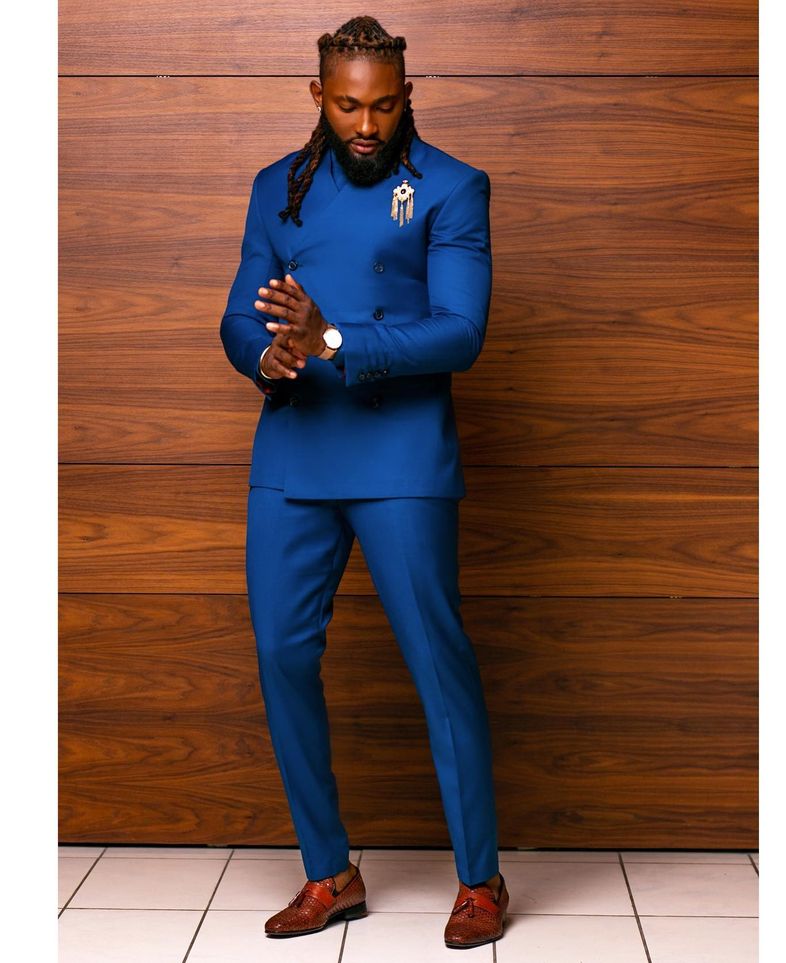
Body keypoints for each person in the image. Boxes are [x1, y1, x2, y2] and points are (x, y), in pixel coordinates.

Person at [219, 15, 508, 950]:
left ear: (406, 95)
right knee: (280, 655)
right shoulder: (276, 188)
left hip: (401, 457)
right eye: (348, 106)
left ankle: (479, 878)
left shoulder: (453, 187)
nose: (367, 124)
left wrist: (334, 336)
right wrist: (266, 355)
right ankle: (329, 871)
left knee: (437, 661)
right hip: (295, 450)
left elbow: (461, 332)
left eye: (384, 105)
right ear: (319, 96)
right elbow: (239, 316)